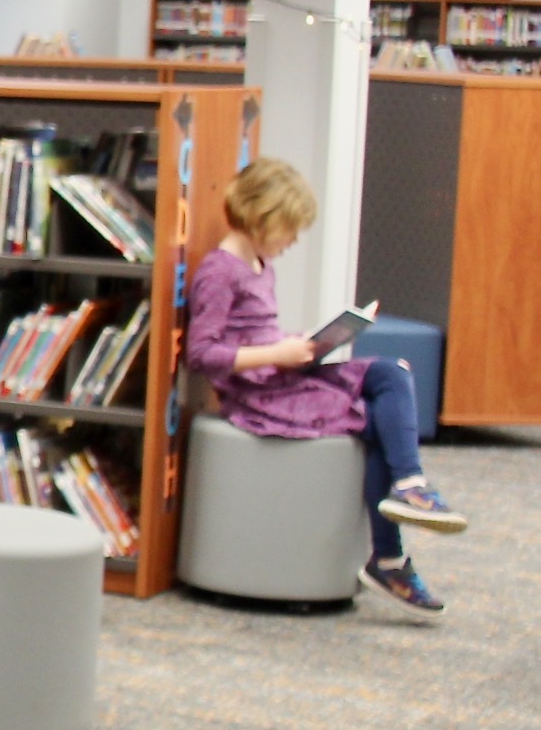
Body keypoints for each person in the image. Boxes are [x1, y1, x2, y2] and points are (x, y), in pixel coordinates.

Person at [186, 158, 466, 611]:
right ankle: (390, 557)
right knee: (372, 418)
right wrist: (276, 353)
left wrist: (293, 346)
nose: (294, 241)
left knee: (391, 372)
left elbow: (253, 331)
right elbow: (202, 354)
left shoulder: (259, 263)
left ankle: (411, 484)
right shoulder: (220, 272)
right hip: (257, 395)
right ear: (263, 218)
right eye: (289, 229)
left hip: (281, 373)